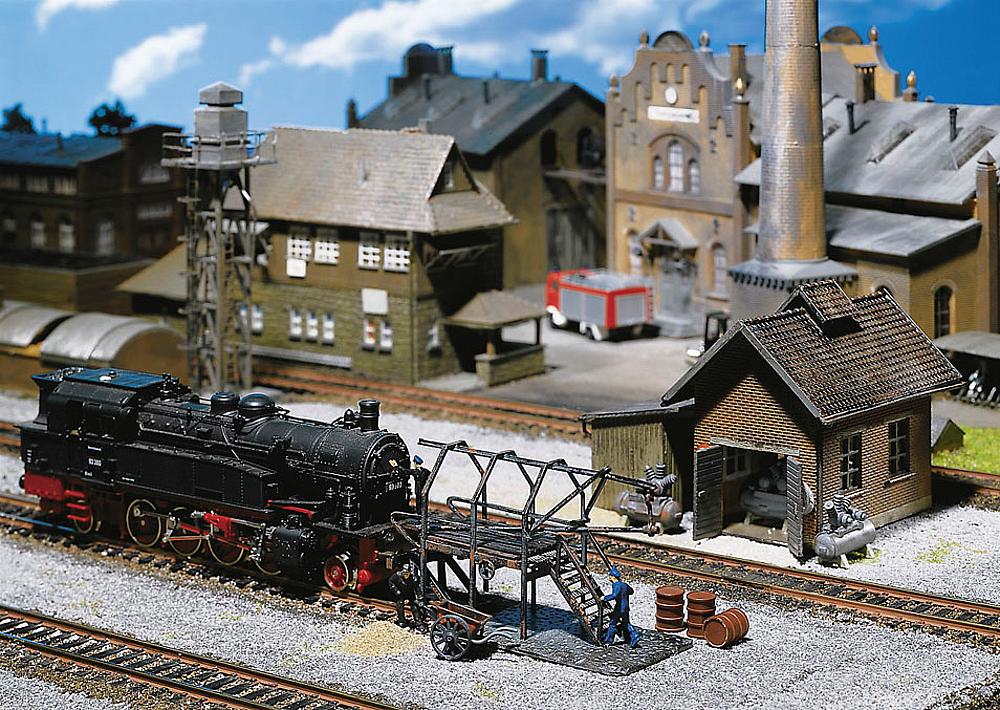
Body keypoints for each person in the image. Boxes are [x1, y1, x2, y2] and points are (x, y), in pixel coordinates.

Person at [603, 566, 639, 648]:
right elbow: (631, 591)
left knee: (612, 624)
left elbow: (614, 595)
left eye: (610, 576)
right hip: (626, 607)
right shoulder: (624, 585)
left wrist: (605, 598)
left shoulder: (616, 585)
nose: (609, 578)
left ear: (613, 577)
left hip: (619, 608)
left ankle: (608, 641)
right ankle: (634, 635)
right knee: (626, 623)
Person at [388, 562, 419, 628]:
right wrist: (396, 590)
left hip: (410, 592)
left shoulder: (413, 577)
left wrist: (419, 597)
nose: (406, 575)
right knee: (400, 605)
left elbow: (417, 588)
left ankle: (418, 623)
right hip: (400, 593)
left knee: (414, 606)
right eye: (405, 573)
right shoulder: (396, 576)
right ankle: (401, 621)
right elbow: (391, 581)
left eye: (408, 573)